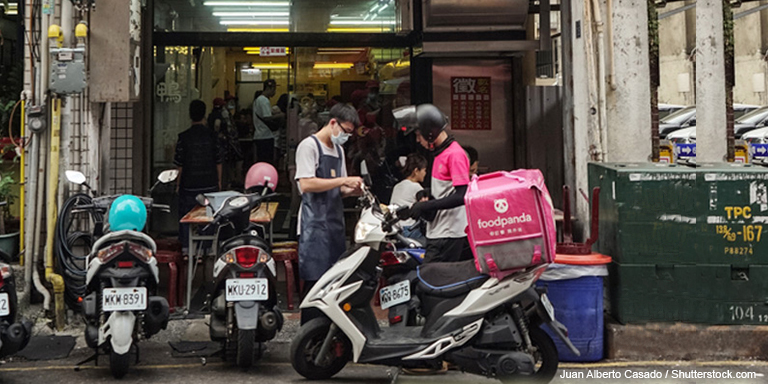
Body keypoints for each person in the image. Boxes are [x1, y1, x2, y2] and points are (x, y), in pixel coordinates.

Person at [295, 103, 363, 324]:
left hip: (334, 225)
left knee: (334, 285)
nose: (346, 137)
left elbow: (339, 190)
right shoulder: (309, 146)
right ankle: (309, 333)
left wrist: (352, 190)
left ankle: (329, 336)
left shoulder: (339, 151)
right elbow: (306, 184)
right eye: (345, 131)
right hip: (313, 226)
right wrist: (343, 180)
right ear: (333, 123)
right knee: (315, 285)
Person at [396, 103, 472, 263]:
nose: (417, 140)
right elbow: (446, 190)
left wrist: (426, 206)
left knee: (430, 282)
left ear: (429, 133)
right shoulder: (440, 154)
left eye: (418, 135)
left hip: (448, 234)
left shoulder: (455, 154)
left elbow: (461, 195)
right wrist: (428, 193)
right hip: (438, 231)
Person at [175, 100, 223, 252]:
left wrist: (177, 184)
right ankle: (207, 249)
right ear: (204, 114)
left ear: (190, 115)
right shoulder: (213, 136)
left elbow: (179, 164)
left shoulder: (183, 137)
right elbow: (219, 161)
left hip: (188, 185)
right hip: (209, 184)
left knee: (186, 216)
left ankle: (186, 249)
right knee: (209, 216)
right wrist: (219, 181)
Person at [390, 153, 428, 243]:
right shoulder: (416, 187)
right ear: (416, 171)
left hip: (396, 228)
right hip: (409, 230)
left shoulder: (397, 186)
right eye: (424, 170)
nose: (425, 173)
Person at [209, 97, 241, 189]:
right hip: (221, 144)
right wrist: (220, 135)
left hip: (214, 143)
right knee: (223, 163)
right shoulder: (219, 115)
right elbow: (217, 125)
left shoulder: (211, 115)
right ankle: (224, 183)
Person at [252, 79, 284, 165]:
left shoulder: (258, 99)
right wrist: (280, 116)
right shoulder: (264, 100)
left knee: (261, 162)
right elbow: (267, 118)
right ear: (270, 88)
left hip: (259, 136)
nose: (274, 92)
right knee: (266, 163)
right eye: (274, 89)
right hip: (265, 136)